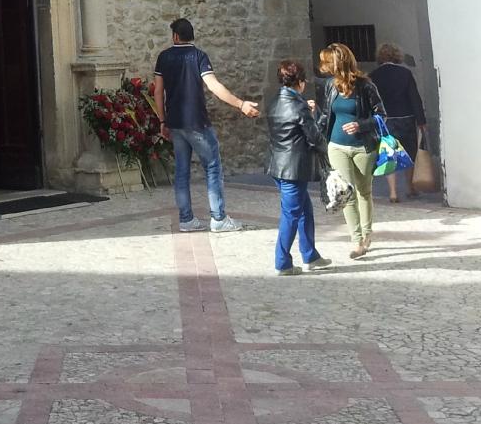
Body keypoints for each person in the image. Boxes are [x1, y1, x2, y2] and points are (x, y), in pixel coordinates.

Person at [152, 17, 259, 234]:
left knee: (181, 172)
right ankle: (218, 218)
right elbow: (214, 86)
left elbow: (157, 91)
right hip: (197, 122)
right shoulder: (199, 56)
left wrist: (162, 121)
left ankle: (186, 220)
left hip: (175, 122)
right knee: (212, 167)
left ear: (175, 36)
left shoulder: (164, 57)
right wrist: (240, 104)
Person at [315, 43, 385, 258]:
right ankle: (356, 241)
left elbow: (381, 115)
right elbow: (327, 115)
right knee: (347, 192)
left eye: (326, 62)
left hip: (363, 147)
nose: (322, 66)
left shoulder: (365, 86)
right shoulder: (328, 86)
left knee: (364, 192)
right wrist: (315, 131)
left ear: (337, 63)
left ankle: (367, 234)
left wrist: (361, 125)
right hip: (336, 146)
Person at [266, 59, 331, 275]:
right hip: (294, 168)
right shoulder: (298, 106)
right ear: (300, 82)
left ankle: (309, 254)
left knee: (304, 210)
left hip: (277, 164)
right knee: (291, 214)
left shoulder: (275, 101)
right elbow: (314, 138)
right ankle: (282, 262)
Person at [370, 43, 427, 203]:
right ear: (397, 55)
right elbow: (414, 98)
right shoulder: (405, 73)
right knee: (409, 153)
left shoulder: (374, 75)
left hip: (386, 119)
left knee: (389, 155)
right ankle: (410, 187)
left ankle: (393, 192)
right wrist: (421, 121)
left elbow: (371, 100)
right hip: (406, 117)